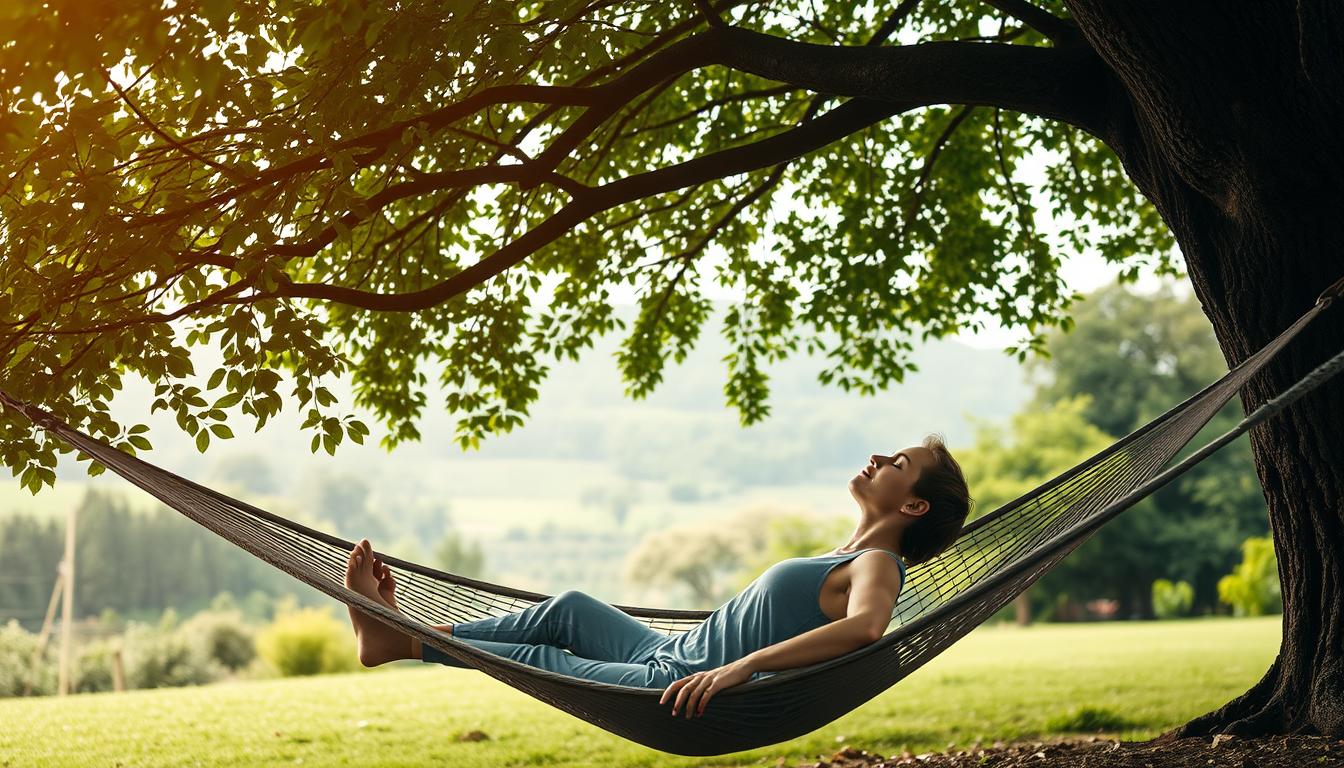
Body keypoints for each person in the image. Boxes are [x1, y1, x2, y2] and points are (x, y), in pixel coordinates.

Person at [343, 433, 972, 718]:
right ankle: (400, 634)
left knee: (544, 658)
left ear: (912, 505)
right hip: (669, 651)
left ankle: (398, 639)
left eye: (897, 463)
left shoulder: (876, 565)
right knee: (569, 608)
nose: (878, 458)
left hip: (671, 681)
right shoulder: (843, 552)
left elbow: (867, 627)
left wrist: (745, 666)